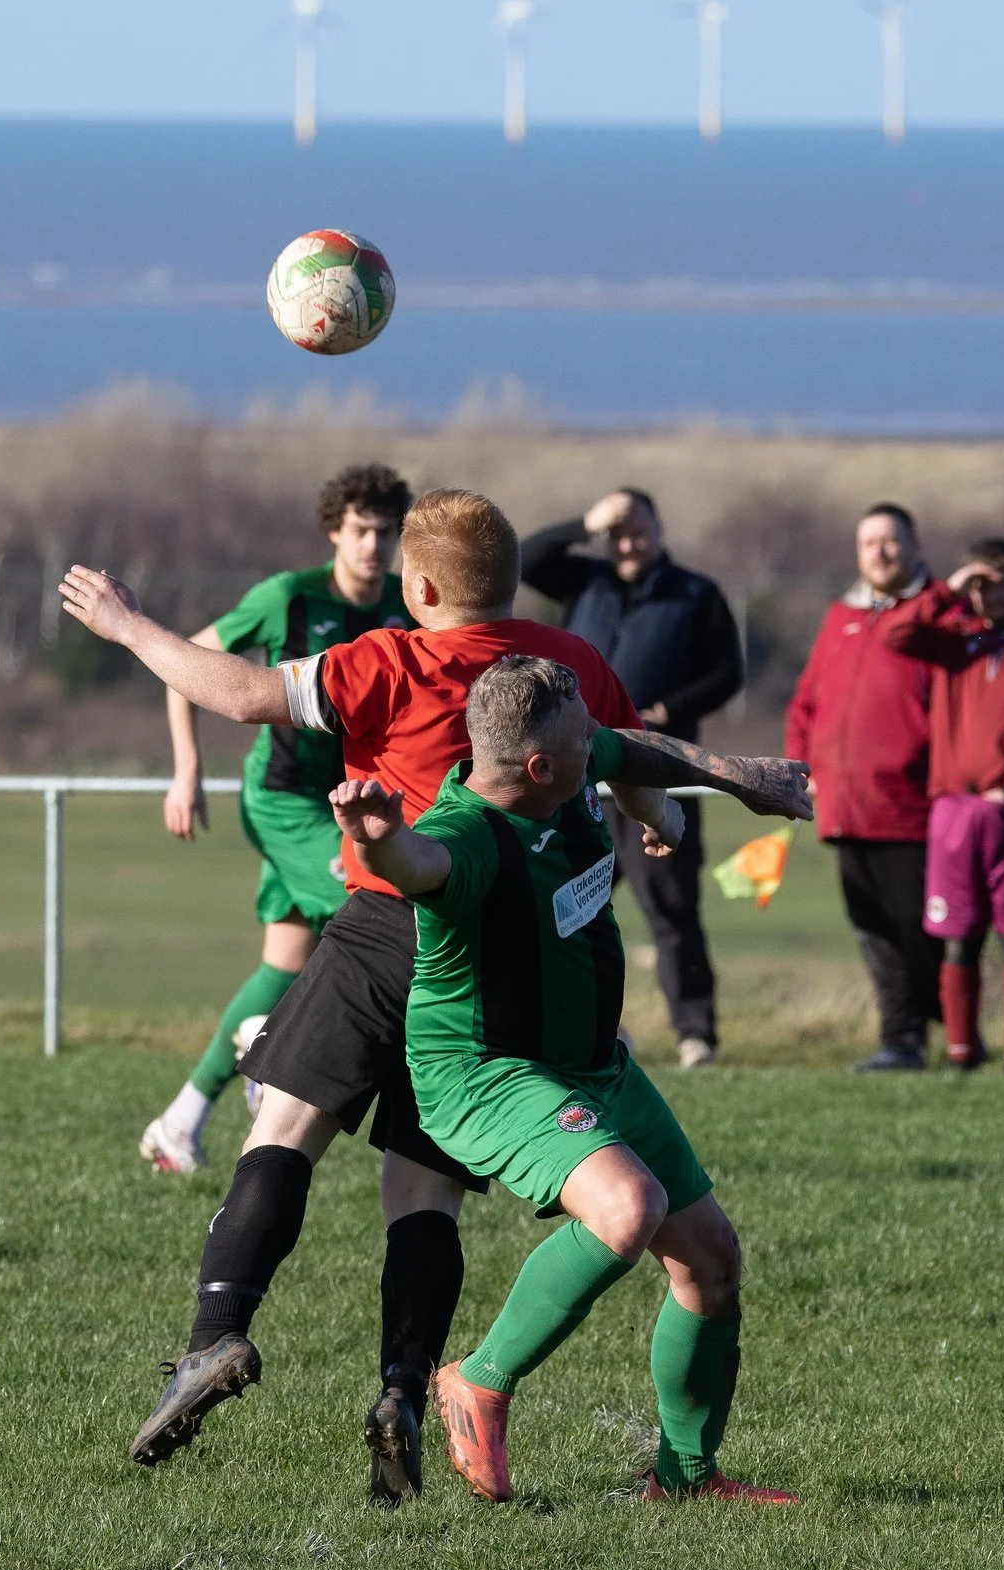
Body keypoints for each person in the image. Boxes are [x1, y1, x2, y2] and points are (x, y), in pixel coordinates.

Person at [56, 489, 813, 1503]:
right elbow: (603, 758)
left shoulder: (386, 656)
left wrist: (124, 623)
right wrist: (656, 809)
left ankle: (218, 1333)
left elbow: (237, 693)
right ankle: (409, 1387)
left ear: (417, 586)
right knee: (425, 1190)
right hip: (479, 948)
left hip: (397, 933)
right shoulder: (560, 667)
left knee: (284, 1130)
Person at [328, 655, 795, 1505]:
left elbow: (640, 751)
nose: (601, 743)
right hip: (485, 1073)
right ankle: (477, 1380)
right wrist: (376, 838)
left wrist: (745, 781)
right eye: (586, 738)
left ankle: (685, 1478)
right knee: (629, 1209)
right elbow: (415, 864)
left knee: (710, 1262)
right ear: (540, 766)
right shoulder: (471, 838)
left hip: (589, 1061)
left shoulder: (568, 770)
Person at [138, 463, 413, 1175]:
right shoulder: (289, 597)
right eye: (360, 530)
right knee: (376, 915)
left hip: (349, 802)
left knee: (282, 961)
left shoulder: (403, 606)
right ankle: (268, 1051)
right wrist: (187, 770)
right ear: (334, 531)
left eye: (386, 532)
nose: (373, 546)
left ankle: (178, 1122)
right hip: (288, 801)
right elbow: (188, 662)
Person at [522, 490, 746, 1069]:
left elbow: (728, 672)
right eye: (617, 532)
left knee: (671, 909)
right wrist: (585, 520)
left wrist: (673, 708)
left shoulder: (695, 593)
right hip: (579, 773)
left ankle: (696, 1035)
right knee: (561, 904)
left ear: (658, 529)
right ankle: (561, 1026)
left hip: (655, 771)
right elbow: (528, 558)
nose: (629, 542)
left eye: (638, 530)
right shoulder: (584, 583)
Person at [878, 536, 1004, 1075]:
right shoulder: (952, 640)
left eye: (1001, 579)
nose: (991, 592)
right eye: (981, 582)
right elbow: (893, 633)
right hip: (954, 814)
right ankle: (962, 1053)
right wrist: (949, 589)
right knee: (958, 938)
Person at [784, 502, 945, 1071]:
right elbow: (807, 702)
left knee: (923, 933)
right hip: (844, 806)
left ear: (914, 545)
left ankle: (955, 1035)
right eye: (868, 542)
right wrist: (802, 770)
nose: (879, 552)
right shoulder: (840, 617)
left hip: (912, 806)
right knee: (874, 931)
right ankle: (901, 1042)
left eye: (890, 540)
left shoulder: (935, 613)